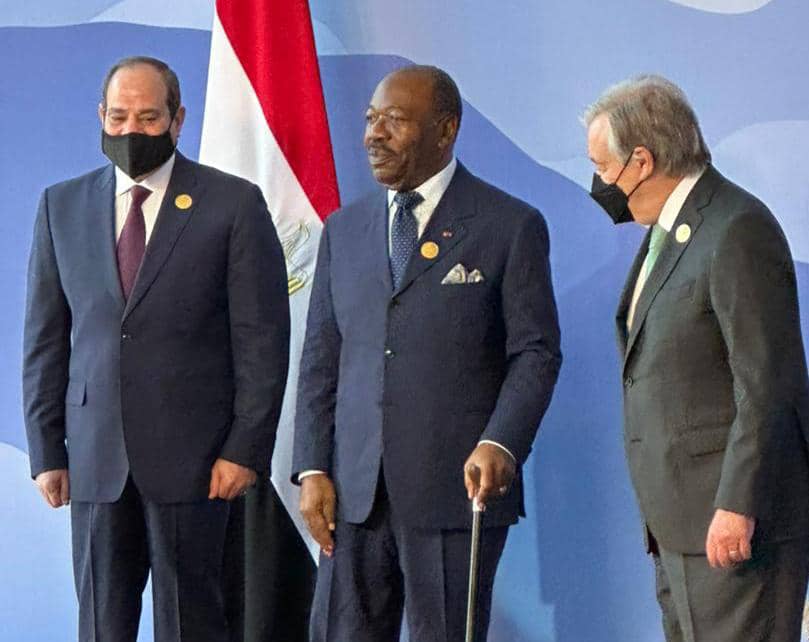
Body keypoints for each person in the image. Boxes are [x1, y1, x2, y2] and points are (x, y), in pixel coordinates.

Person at [22, 56, 290, 642]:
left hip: (197, 466)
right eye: (118, 117)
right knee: (101, 624)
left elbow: (262, 343)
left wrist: (245, 449)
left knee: (192, 624)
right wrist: (46, 450)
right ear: (101, 115)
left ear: (177, 119)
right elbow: (45, 340)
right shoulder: (60, 205)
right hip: (95, 463)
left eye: (147, 118)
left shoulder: (233, 204)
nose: (130, 131)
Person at [292, 65, 562, 642]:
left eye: (394, 120)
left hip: (455, 492)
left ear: (446, 129)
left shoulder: (509, 225)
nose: (374, 134)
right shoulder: (344, 230)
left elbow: (535, 353)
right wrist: (312, 467)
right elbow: (321, 359)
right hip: (353, 497)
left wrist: (500, 442)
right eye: (371, 119)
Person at [585, 74, 809, 641]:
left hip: (735, 528)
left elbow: (768, 383)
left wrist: (737, 504)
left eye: (603, 167)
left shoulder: (736, 228)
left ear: (641, 161)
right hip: (680, 529)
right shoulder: (671, 231)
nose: (599, 183)